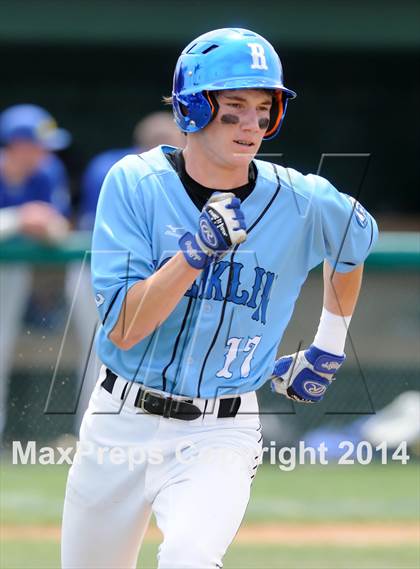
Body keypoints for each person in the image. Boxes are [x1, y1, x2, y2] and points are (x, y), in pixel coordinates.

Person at [61, 28, 378, 569]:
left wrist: (327, 345)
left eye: (263, 108)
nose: (252, 123)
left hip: (222, 428)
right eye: (234, 106)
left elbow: (352, 246)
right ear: (192, 108)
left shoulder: (302, 198)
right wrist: (193, 254)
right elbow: (123, 328)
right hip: (119, 417)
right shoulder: (134, 183)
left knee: (190, 558)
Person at [64, 112, 185, 432]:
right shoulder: (118, 170)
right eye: (175, 145)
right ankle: (91, 428)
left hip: (145, 274)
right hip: (98, 269)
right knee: (104, 350)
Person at [0, 104, 71, 439]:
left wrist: (42, 223)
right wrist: (18, 219)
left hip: (12, 275)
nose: (45, 152)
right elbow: (27, 217)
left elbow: (59, 229)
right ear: (17, 144)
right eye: (37, 145)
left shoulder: (47, 172)